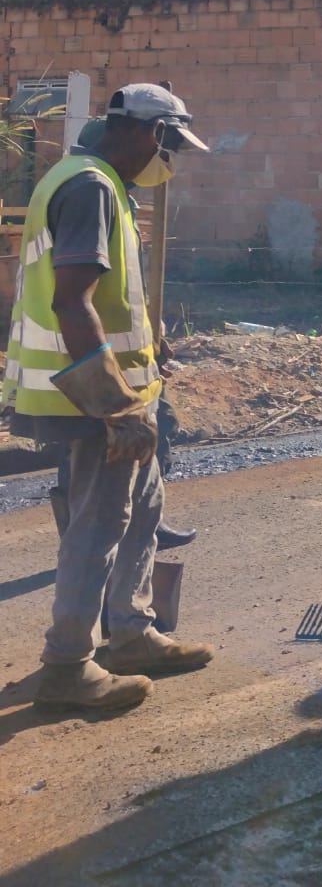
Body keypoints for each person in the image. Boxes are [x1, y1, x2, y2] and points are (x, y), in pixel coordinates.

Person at [7, 83, 216, 712]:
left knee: (143, 508)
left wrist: (148, 355)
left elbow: (106, 302)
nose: (171, 160)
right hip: (92, 398)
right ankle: (67, 664)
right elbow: (70, 301)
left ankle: (129, 632)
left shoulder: (100, 183)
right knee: (99, 522)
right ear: (150, 132)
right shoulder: (92, 186)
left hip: (124, 388)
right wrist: (116, 405)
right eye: (171, 143)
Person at [45, 117, 195, 551]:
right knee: (92, 451)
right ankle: (86, 532)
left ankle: (143, 520)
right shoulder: (92, 195)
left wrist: (153, 332)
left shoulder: (120, 200)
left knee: (154, 428)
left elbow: (125, 289)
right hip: (92, 357)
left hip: (128, 357)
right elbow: (76, 296)